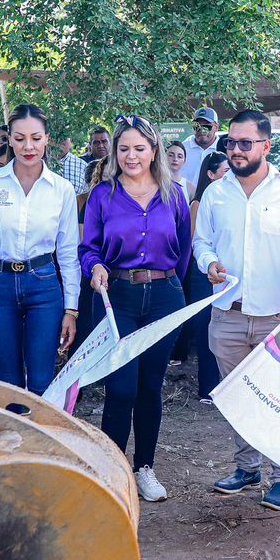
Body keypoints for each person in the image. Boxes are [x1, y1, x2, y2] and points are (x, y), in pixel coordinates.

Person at [197, 111, 280, 511]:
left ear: (266, 146)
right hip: (227, 313)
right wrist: (209, 263)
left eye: (246, 143)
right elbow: (202, 242)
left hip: (275, 318)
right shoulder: (216, 192)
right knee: (239, 397)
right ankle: (247, 468)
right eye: (231, 142)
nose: (236, 150)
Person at [81, 115, 192, 502]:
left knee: (149, 387)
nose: (131, 155)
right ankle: (113, 472)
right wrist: (95, 266)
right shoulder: (102, 195)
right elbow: (89, 247)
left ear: (154, 150)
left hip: (164, 298)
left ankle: (144, 467)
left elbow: (184, 251)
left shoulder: (174, 194)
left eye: (139, 148)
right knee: (121, 387)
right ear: (114, 152)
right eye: (124, 148)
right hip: (118, 297)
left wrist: (167, 285)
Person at [0, 104, 80, 394]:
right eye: (19, 139)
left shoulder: (62, 190)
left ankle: (40, 439)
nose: (28, 146)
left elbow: (68, 254)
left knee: (42, 382)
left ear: (46, 139)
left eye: (36, 138)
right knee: (9, 382)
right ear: (9, 140)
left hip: (43, 285)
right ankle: (13, 439)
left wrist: (72, 309)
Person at [187, 151, 230, 402]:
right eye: (225, 172)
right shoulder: (200, 202)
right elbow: (197, 240)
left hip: (227, 272)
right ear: (211, 175)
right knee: (206, 326)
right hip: (204, 270)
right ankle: (208, 388)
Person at [182, 108, 220, 190]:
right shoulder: (182, 149)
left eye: (207, 126)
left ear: (217, 127)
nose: (202, 130)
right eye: (197, 126)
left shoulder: (224, 149)